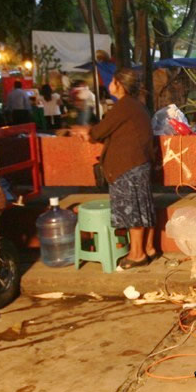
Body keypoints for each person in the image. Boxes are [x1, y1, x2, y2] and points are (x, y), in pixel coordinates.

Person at [73, 69, 156, 269]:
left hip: (129, 166)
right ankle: (149, 248)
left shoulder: (124, 105)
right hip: (138, 164)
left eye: (112, 80)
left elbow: (100, 131)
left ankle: (137, 255)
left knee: (133, 212)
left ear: (119, 84)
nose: (109, 84)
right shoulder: (136, 106)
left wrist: (87, 132)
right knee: (142, 208)